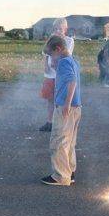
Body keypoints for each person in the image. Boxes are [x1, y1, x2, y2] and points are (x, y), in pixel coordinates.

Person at [41, 35, 81, 186]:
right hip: (76, 109)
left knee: (58, 141)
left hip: (65, 108)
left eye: (51, 54)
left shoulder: (64, 62)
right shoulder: (72, 61)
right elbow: (70, 77)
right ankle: (69, 172)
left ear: (58, 49)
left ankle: (60, 176)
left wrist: (66, 103)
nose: (52, 58)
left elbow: (72, 81)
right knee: (69, 142)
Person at [39, 18, 74, 132]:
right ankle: (49, 122)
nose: (58, 31)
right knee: (50, 99)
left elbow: (65, 53)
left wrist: (59, 40)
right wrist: (45, 66)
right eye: (56, 29)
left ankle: (60, 123)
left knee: (59, 99)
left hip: (60, 75)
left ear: (65, 29)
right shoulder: (51, 39)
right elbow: (46, 53)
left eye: (60, 28)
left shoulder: (69, 41)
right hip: (50, 74)